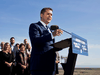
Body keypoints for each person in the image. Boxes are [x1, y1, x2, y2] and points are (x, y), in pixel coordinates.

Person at [29, 7, 63, 75]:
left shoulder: (49, 30)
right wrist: (52, 34)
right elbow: (35, 41)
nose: (50, 16)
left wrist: (61, 45)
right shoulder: (34, 26)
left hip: (50, 66)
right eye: (48, 14)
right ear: (41, 15)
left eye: (51, 15)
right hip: (40, 66)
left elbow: (49, 46)